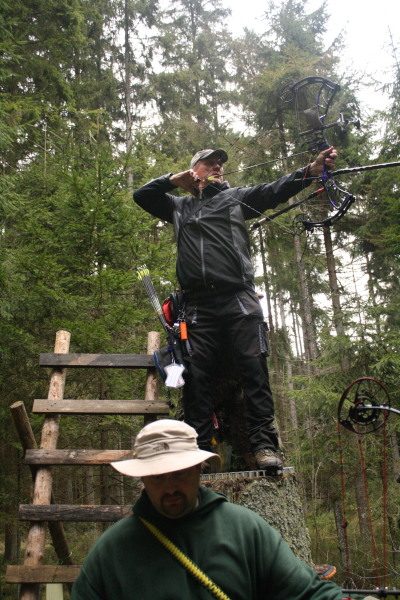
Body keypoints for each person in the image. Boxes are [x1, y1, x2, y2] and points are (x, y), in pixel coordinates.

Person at [134, 147, 337, 469]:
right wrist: (173, 179)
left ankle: (264, 446)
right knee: (196, 377)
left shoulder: (236, 198)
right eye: (209, 163)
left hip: (238, 298)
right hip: (197, 305)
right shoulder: (178, 206)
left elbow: (274, 190)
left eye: (220, 164)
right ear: (193, 170)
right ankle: (198, 450)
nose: (218, 167)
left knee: (254, 370)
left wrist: (311, 170)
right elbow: (142, 195)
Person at [72, 419, 344, 600]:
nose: (170, 488)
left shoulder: (244, 529)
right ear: (142, 478)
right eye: (157, 477)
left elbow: (306, 593)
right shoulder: (111, 552)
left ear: (198, 469)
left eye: (179, 473)